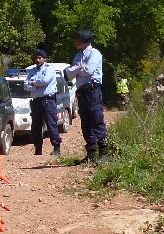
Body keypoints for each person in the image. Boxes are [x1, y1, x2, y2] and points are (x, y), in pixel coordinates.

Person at [65, 30, 108, 163]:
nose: (75, 41)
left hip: (92, 90)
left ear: (84, 40)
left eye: (77, 39)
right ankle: (91, 154)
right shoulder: (78, 55)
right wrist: (80, 68)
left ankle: (104, 152)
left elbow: (88, 71)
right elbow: (68, 74)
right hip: (82, 92)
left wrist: (77, 69)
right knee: (86, 123)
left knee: (96, 120)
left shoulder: (94, 53)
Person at [24, 49, 62, 156]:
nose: (37, 59)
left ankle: (56, 148)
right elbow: (25, 85)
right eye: (35, 57)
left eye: (39, 57)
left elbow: (45, 81)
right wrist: (36, 84)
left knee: (51, 125)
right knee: (36, 126)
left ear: (44, 58)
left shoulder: (49, 69)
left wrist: (33, 83)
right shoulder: (32, 70)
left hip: (48, 100)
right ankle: (38, 149)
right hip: (36, 101)